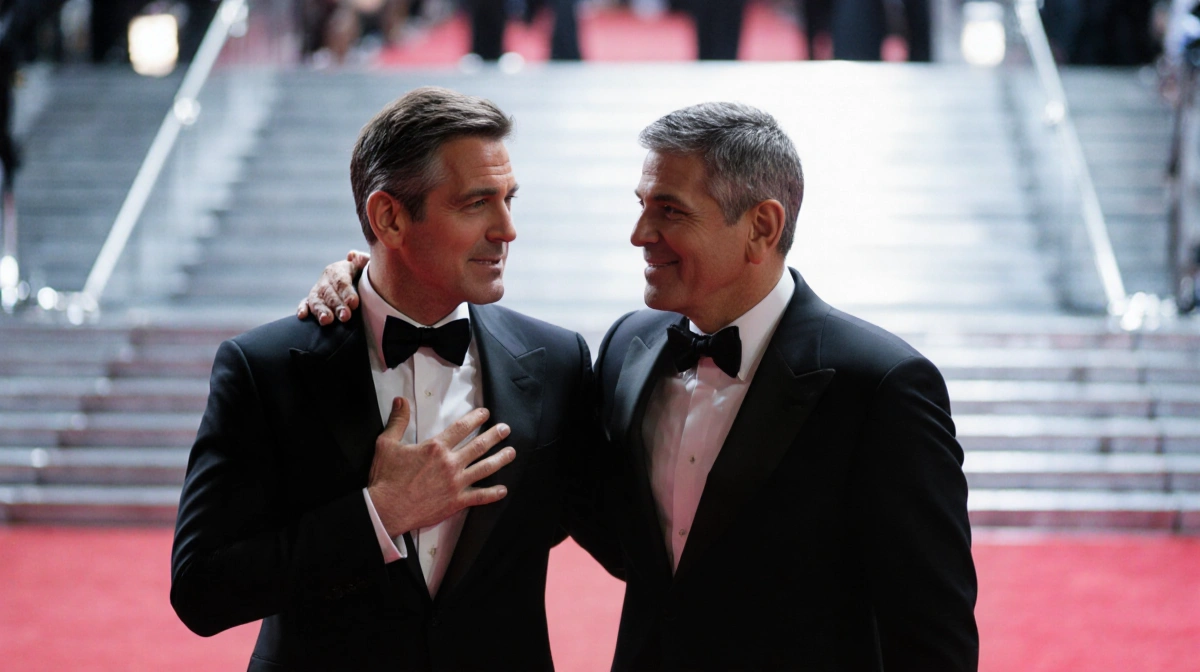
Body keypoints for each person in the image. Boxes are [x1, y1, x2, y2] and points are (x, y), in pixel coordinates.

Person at [303, 101, 979, 670]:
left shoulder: (881, 385)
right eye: (641, 205)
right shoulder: (629, 348)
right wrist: (364, 281)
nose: (638, 234)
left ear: (762, 227)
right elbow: (576, 506)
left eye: (670, 211)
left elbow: (933, 638)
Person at [171, 86, 615, 670]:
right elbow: (202, 590)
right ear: (390, 217)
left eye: (509, 198)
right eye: (477, 203)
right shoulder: (266, 369)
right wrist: (379, 514)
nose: (507, 229)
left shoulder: (557, 361)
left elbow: (594, 531)